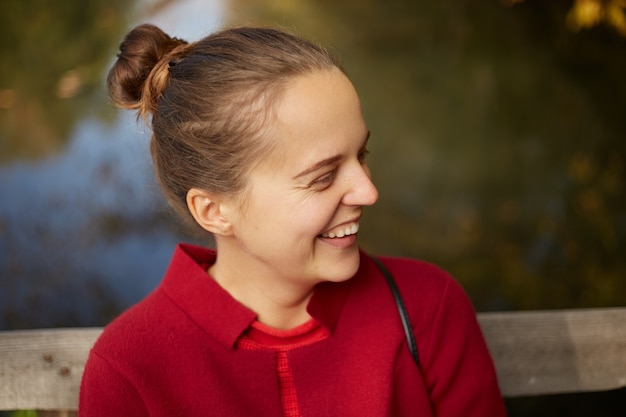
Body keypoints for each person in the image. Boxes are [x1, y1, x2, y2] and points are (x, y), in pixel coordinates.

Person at [79, 23, 507, 417]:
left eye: (361, 156)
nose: (369, 192)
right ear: (215, 210)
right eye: (323, 177)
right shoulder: (128, 369)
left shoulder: (428, 307)